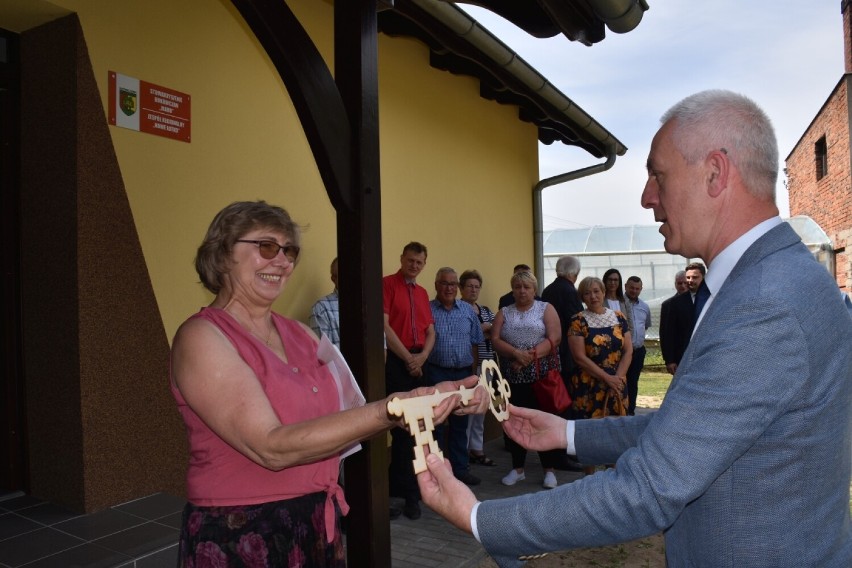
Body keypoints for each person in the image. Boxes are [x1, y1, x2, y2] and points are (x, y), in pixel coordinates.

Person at [416, 90, 852, 567]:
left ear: (715, 172)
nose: (647, 196)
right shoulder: (769, 281)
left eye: (657, 175)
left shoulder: (764, 304)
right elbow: (684, 429)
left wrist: (483, 520)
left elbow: (648, 488)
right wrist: (570, 434)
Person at [169, 201, 487, 566]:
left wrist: (425, 401)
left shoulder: (302, 335)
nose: (283, 260)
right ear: (223, 252)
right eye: (267, 247)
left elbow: (348, 418)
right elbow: (270, 447)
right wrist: (391, 407)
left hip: (317, 521)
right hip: (242, 530)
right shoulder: (202, 337)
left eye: (289, 251)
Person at [491, 270, 562, 489]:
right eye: (517, 287)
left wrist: (526, 358)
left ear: (534, 289)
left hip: (540, 375)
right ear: (512, 289)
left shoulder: (545, 308)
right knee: (515, 421)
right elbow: (495, 339)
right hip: (512, 376)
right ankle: (518, 468)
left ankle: (549, 470)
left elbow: (554, 338)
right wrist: (515, 354)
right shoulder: (504, 311)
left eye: (526, 287)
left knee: (541, 421)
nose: (522, 291)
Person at [383, 241, 435, 520]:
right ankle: (406, 493)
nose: (414, 265)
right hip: (398, 361)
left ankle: (412, 489)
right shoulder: (387, 284)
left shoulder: (423, 292)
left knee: (421, 428)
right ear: (402, 258)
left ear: (424, 264)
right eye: (411, 260)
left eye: (419, 262)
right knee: (403, 429)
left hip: (419, 362)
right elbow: (384, 325)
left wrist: (422, 358)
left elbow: (430, 330)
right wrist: (408, 360)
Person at [427, 267, 484, 486]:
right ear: (436, 285)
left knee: (460, 424)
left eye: (452, 284)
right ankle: (439, 472)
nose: (449, 288)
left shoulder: (468, 311)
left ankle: (461, 470)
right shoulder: (428, 310)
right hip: (436, 372)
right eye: (444, 283)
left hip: (463, 373)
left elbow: (475, 343)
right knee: (437, 424)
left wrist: (473, 372)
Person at [567, 276, 632, 421]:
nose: (593, 296)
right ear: (582, 298)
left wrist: (617, 380)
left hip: (617, 382)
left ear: (603, 292)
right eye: (587, 293)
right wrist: (607, 378)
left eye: (596, 291)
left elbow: (628, 351)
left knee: (617, 427)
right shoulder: (577, 321)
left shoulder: (619, 317)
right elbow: (579, 357)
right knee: (590, 430)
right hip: (589, 385)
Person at [459, 269, 497, 468]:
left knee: (481, 409)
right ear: (461, 288)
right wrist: (483, 329)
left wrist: (483, 330)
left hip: (486, 366)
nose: (473, 290)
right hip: (467, 365)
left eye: (476, 287)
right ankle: (463, 450)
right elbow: (466, 334)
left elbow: (495, 330)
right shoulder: (457, 309)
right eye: (469, 286)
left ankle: (477, 448)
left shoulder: (485, 310)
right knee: (466, 410)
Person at [540, 255, 583, 383]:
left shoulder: (547, 290)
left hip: (549, 345)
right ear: (575, 273)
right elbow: (576, 321)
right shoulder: (570, 291)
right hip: (568, 348)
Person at [660, 262, 706, 374]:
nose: (690, 280)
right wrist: (670, 360)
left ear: (704, 277)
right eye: (688, 277)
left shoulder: (713, 299)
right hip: (683, 358)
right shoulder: (675, 303)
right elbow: (668, 334)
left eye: (695, 277)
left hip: (707, 355)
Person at [623, 276, 650, 416]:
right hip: (622, 353)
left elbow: (644, 326)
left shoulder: (644, 307)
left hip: (638, 351)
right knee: (622, 381)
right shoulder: (619, 303)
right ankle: (619, 409)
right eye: (631, 288)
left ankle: (630, 411)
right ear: (626, 286)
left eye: (637, 288)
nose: (634, 291)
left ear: (641, 289)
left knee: (633, 382)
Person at [309, 257, 340, 348]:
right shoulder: (322, 308)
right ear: (334, 279)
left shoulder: (368, 305)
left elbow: (381, 348)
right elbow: (324, 354)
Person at [601, 268, 634, 336]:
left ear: (619, 282)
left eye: (615, 280)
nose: (613, 283)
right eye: (610, 280)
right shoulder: (600, 302)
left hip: (624, 341)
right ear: (605, 281)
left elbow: (630, 324)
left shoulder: (625, 302)